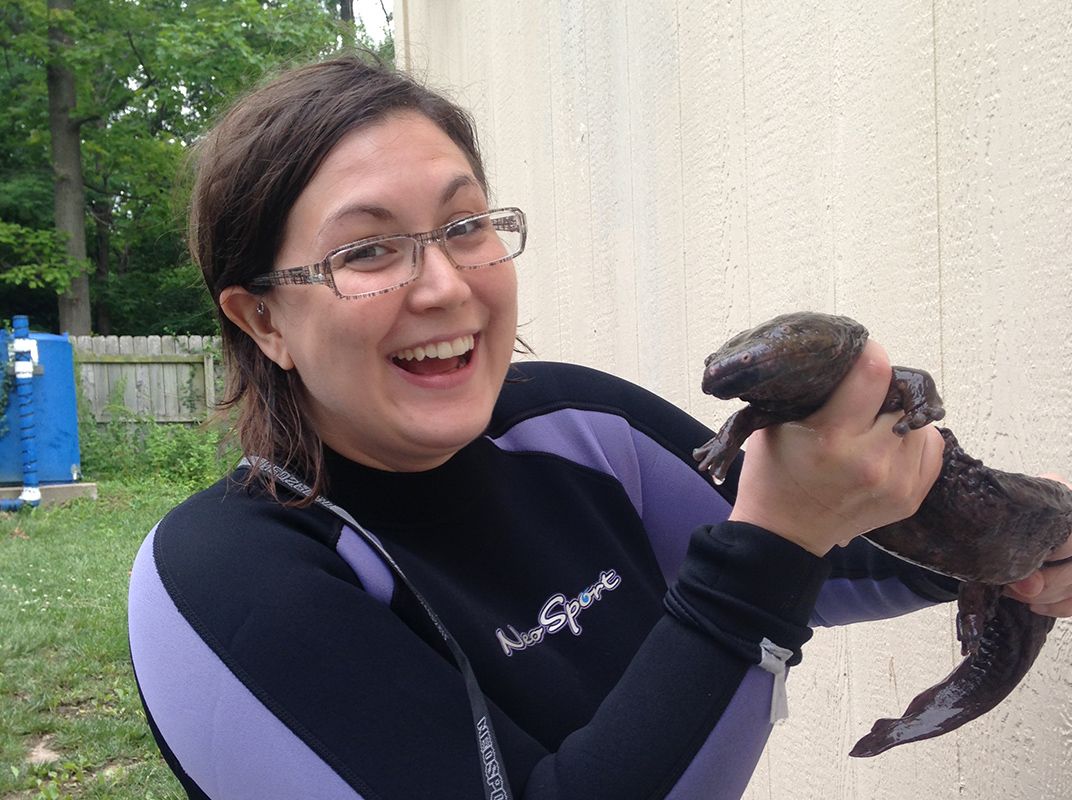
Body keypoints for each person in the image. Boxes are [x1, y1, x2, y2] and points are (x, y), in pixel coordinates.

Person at [127, 55, 1072, 800]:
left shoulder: (576, 423)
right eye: (368, 249)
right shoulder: (218, 580)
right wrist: (773, 549)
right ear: (262, 320)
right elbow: (776, 549)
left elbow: (843, 544)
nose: (447, 285)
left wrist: (1022, 546)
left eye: (465, 226)